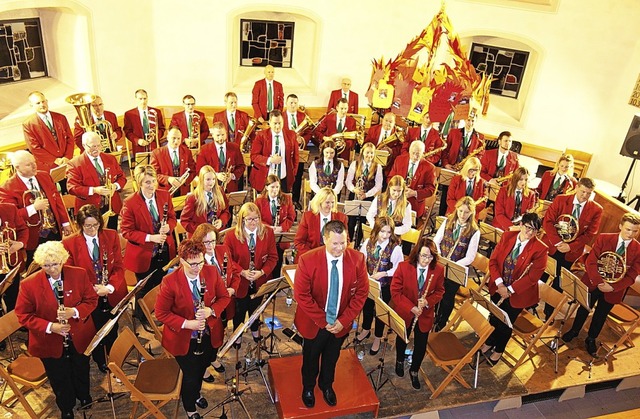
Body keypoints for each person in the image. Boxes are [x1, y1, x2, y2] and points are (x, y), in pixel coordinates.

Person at [15, 241, 98, 419]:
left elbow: (91, 300)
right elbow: (23, 315)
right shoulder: (29, 284)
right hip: (49, 340)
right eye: (46, 265)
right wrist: (51, 327)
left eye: (55, 264)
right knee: (58, 375)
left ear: (63, 260)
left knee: (81, 366)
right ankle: (66, 406)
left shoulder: (79, 274)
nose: (52, 269)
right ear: (40, 264)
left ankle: (84, 396)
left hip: (79, 334)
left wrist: (74, 311)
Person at [294, 220, 368, 408]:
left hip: (341, 323)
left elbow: (361, 293)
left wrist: (344, 320)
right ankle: (308, 387)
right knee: (311, 357)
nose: (340, 248)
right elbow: (301, 295)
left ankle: (326, 385)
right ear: (324, 239)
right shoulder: (307, 260)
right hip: (315, 322)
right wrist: (322, 320)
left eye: (343, 242)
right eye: (335, 243)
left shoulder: (358, 259)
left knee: (332, 357)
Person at [155, 239, 230, 419]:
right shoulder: (170, 281)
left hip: (208, 333)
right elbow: (161, 313)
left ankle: (196, 394)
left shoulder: (211, 272)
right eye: (193, 264)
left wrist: (211, 310)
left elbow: (224, 297)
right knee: (191, 374)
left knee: (203, 365)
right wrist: (188, 324)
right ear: (181, 261)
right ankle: (190, 407)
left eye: (201, 262)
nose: (198, 268)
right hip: (183, 338)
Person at [561, 213, 640, 356]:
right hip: (594, 282)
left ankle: (591, 339)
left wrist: (613, 287)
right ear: (620, 226)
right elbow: (591, 261)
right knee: (584, 308)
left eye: (635, 231)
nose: (631, 234)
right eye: (628, 229)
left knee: (601, 314)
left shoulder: (638, 249)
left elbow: (632, 275)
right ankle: (574, 330)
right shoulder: (604, 238)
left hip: (614, 289)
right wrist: (598, 281)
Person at [62, 204, 127, 373]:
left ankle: (114, 357)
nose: (92, 229)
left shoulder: (111, 236)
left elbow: (119, 267)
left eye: (96, 225)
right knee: (95, 330)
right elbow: (70, 275)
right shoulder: (69, 243)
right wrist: (92, 289)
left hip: (110, 293)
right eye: (88, 226)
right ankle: (101, 359)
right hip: (88, 297)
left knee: (112, 327)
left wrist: (110, 287)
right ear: (80, 225)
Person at [481, 213, 548, 366]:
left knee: (505, 323)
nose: (530, 232)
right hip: (498, 287)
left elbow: (532, 277)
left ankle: (499, 349)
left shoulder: (541, 249)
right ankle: (490, 341)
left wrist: (509, 290)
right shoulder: (507, 236)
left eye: (535, 230)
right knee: (494, 316)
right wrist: (499, 284)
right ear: (521, 225)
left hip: (519, 294)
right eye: (528, 227)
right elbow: (493, 262)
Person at [120, 165, 177, 324]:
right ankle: (141, 316)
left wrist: (169, 226)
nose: (151, 185)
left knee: (161, 284)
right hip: (143, 254)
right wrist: (150, 238)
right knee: (144, 288)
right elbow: (126, 231)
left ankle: (159, 312)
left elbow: (172, 217)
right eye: (147, 182)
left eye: (153, 181)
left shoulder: (164, 195)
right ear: (139, 183)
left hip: (164, 249)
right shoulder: (130, 203)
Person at [542, 177, 603, 318]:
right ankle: (529, 304)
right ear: (576, 188)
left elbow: (590, 234)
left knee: (558, 282)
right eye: (582, 192)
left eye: (589, 193)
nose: (585, 196)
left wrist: (570, 247)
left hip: (571, 252)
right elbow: (548, 221)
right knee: (541, 275)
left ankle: (548, 313)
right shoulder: (561, 200)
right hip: (552, 246)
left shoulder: (596, 209)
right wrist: (558, 243)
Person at [0, 150, 72, 266]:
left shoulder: (44, 175)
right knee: (38, 269)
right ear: (17, 167)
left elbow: (57, 199)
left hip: (53, 230)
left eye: (34, 162)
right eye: (29, 164)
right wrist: (33, 207)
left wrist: (65, 223)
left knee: (60, 262)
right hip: (33, 236)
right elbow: (11, 217)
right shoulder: (7, 188)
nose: (34, 166)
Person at [391, 236, 445, 389]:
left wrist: (428, 301)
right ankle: (400, 361)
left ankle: (414, 370)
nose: (426, 260)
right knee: (403, 338)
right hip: (406, 312)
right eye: (423, 255)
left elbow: (440, 291)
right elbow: (395, 292)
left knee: (421, 344)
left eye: (430, 256)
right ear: (417, 254)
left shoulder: (438, 269)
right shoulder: (403, 267)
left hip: (425, 314)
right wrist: (411, 307)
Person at [191, 223, 242, 377]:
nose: (211, 245)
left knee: (221, 332)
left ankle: (213, 357)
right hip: (209, 307)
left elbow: (234, 272)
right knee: (208, 336)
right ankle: (204, 365)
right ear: (199, 243)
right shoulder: (196, 261)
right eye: (206, 242)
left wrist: (232, 289)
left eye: (213, 241)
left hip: (225, 303)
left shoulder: (223, 250)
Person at [223, 203, 278, 344]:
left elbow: (273, 257)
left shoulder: (267, 232)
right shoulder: (230, 236)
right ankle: (237, 334)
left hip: (258, 280)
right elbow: (228, 260)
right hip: (240, 281)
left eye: (256, 218)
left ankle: (254, 329)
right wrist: (242, 272)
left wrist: (262, 272)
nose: (253, 222)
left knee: (255, 308)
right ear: (242, 219)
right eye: (249, 219)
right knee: (239, 311)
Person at [355, 216, 403, 355]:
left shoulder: (395, 248)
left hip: (384, 285)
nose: (385, 235)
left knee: (380, 312)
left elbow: (398, 268)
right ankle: (365, 329)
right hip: (369, 281)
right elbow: (361, 258)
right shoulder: (368, 242)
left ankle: (378, 337)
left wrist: (384, 273)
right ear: (376, 230)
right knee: (367, 307)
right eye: (382, 231)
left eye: (388, 232)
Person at [432, 196, 481, 331]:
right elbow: (436, 241)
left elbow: (470, 257)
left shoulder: (474, 231)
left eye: (466, 212)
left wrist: (453, 264)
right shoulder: (448, 221)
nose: (462, 215)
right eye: (460, 211)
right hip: (441, 263)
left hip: (456, 269)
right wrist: (440, 257)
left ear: (471, 213)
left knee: (448, 295)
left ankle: (442, 323)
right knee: (436, 291)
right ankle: (434, 316)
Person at [67, 131, 127, 230]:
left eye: (99, 146)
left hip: (112, 207)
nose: (96, 149)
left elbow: (122, 177)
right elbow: (72, 188)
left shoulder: (110, 158)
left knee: (111, 235)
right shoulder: (74, 164)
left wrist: (115, 186)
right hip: (89, 210)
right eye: (92, 146)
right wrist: (94, 190)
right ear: (84, 145)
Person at [22, 91, 74, 173]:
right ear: (31, 105)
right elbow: (34, 148)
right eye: (38, 103)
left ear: (47, 101)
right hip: (47, 166)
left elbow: (70, 138)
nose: (42, 105)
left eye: (43, 101)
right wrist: (55, 160)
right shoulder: (28, 124)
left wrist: (67, 157)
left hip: (66, 162)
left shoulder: (61, 118)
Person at [255, 174, 296, 276]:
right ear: (266, 187)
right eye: (272, 187)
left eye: (277, 187)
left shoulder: (286, 198)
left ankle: (275, 281)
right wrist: (269, 228)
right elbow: (256, 219)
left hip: (280, 236)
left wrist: (281, 227)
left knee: (278, 260)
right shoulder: (259, 201)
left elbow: (291, 217)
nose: (275, 190)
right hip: (265, 235)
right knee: (266, 261)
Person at [250, 110, 299, 193]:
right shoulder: (261, 135)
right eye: (275, 123)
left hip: (283, 179)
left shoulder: (291, 135)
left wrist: (292, 173)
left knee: (283, 204)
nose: (277, 126)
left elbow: (296, 157)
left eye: (280, 123)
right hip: (265, 178)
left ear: (283, 121)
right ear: (269, 122)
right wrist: (270, 160)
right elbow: (254, 156)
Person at [294, 188, 348, 262]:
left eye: (333, 202)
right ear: (320, 202)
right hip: (311, 256)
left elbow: (346, 241)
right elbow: (299, 242)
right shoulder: (308, 217)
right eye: (327, 202)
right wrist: (313, 256)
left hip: (333, 257)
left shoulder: (341, 218)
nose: (330, 205)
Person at [345, 142, 383, 247]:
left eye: (372, 153)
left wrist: (366, 194)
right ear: (363, 153)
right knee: (351, 223)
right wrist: (354, 190)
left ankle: (357, 244)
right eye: (367, 153)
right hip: (355, 195)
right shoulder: (355, 164)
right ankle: (348, 244)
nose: (369, 155)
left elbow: (378, 185)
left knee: (362, 223)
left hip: (368, 198)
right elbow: (348, 181)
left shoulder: (378, 167)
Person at [388, 141, 437, 220]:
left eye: (418, 154)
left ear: (423, 153)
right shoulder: (399, 160)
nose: (415, 157)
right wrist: (397, 189)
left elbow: (431, 190)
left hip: (414, 206)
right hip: (395, 201)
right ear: (409, 151)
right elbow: (390, 178)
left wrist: (414, 193)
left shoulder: (429, 167)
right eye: (413, 153)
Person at [196, 122, 246, 193]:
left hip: (230, 189)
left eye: (223, 135)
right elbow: (199, 171)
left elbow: (241, 166)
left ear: (226, 133)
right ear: (212, 135)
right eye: (218, 135)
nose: (221, 138)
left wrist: (232, 175)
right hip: (211, 189)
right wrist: (215, 175)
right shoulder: (204, 150)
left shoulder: (235, 147)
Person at [181, 165, 230, 235]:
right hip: (200, 238)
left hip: (217, 234)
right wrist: (201, 231)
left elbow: (226, 211)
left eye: (213, 179)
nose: (211, 182)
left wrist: (221, 221)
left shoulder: (220, 191)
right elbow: (184, 221)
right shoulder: (193, 197)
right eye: (208, 179)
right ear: (201, 180)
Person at [150, 126, 197, 197]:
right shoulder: (156, 153)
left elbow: (193, 170)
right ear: (168, 137)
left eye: (179, 138)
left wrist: (185, 180)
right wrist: (168, 179)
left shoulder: (187, 152)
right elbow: (153, 174)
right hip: (165, 192)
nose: (176, 141)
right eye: (174, 138)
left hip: (183, 191)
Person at [0, 203, 28, 312]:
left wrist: (20, 244)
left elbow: (23, 229)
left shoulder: (10, 208)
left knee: (14, 297)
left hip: (10, 264)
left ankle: (15, 322)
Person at [123, 89, 166, 156]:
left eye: (145, 98)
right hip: (139, 149)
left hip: (154, 147)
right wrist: (137, 140)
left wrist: (154, 137)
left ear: (147, 98)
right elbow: (127, 132)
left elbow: (162, 129)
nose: (143, 101)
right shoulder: (129, 114)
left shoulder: (156, 112)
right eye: (140, 99)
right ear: (136, 99)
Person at [492, 167, 536, 232]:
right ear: (515, 179)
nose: (523, 182)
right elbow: (499, 214)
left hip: (520, 229)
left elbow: (528, 218)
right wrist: (511, 226)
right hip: (502, 225)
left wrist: (520, 227)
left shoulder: (531, 195)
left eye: (526, 180)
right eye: (521, 179)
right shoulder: (503, 191)